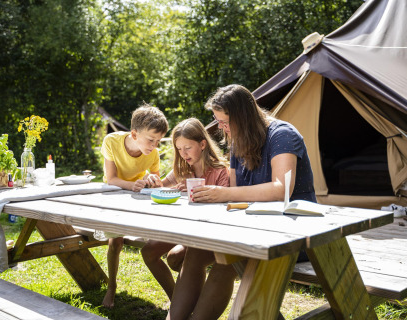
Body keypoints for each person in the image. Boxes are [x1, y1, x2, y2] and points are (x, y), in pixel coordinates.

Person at [167, 84, 316, 320]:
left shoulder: (283, 135)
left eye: (225, 122)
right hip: (254, 229)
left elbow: (281, 190)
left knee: (226, 259)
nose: (221, 128)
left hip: (294, 234)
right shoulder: (237, 142)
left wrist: (223, 194)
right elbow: (237, 194)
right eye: (218, 122)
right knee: (195, 251)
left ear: (243, 117)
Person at [141, 118, 229, 301]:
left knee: (175, 258)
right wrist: (151, 182)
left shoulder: (220, 171)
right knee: (149, 251)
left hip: (210, 232)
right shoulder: (182, 169)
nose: (183, 154)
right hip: (185, 228)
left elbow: (225, 208)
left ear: (203, 144)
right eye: (179, 149)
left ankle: (187, 303)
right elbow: (160, 188)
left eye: (187, 148)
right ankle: (177, 301)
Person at [101, 103, 168, 308]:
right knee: (116, 243)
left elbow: (157, 180)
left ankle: (175, 296)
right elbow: (111, 179)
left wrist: (154, 181)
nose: (154, 146)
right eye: (151, 140)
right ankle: (111, 287)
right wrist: (133, 185)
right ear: (134, 134)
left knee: (154, 242)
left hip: (138, 197)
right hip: (115, 194)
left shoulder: (153, 153)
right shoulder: (111, 141)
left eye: (158, 141)